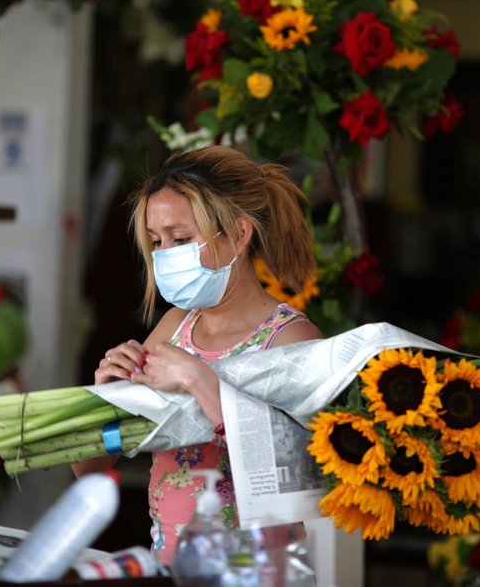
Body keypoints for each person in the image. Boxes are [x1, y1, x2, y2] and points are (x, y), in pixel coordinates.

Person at [72, 145, 322, 566]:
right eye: (157, 241)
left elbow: (294, 483)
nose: (166, 254)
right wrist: (104, 407)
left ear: (240, 235)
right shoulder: (174, 328)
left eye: (181, 238)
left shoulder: (289, 339)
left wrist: (198, 379)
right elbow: (91, 469)